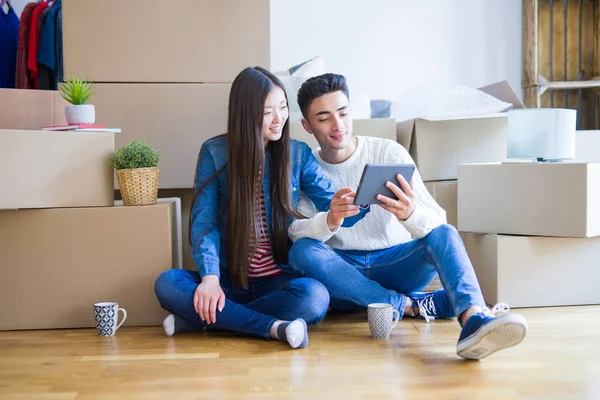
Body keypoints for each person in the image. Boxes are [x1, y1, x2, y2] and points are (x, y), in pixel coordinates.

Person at [286, 73, 528, 359]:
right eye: (324, 118)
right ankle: (411, 306)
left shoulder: (387, 152)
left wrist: (411, 214)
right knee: (301, 251)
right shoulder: (304, 165)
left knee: (445, 233)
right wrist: (329, 221)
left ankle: (474, 319)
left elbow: (438, 219)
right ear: (307, 125)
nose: (338, 125)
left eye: (343, 113)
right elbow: (295, 230)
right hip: (341, 276)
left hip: (396, 264)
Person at [154, 67, 367, 349]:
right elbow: (203, 224)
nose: (279, 119)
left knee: (315, 297)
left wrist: (350, 207)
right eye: (268, 112)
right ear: (246, 113)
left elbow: (337, 208)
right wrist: (210, 278)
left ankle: (205, 320)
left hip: (276, 281)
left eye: (283, 107)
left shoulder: (296, 153)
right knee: (168, 283)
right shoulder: (215, 153)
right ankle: (274, 328)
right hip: (229, 281)